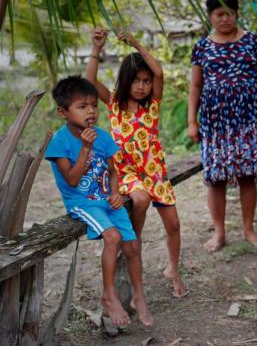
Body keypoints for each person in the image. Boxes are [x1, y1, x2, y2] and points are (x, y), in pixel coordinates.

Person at [86, 28, 187, 298]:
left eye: (145, 80)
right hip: (127, 172)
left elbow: (159, 73)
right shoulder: (113, 104)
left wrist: (135, 42)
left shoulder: (152, 105)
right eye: (136, 81)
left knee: (174, 224)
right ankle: (135, 239)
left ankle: (173, 269)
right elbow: (89, 80)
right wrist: (97, 48)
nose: (142, 85)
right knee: (140, 200)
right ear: (126, 81)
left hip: (155, 171)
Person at [46, 76, 154, 327]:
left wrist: (116, 192)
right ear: (63, 112)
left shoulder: (103, 137)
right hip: (82, 203)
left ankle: (139, 296)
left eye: (94, 105)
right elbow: (72, 181)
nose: (91, 111)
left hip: (107, 199)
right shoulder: (59, 143)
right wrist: (84, 148)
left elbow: (112, 170)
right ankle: (109, 295)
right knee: (113, 237)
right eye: (82, 106)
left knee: (132, 246)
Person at [188, 0, 257, 252]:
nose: (225, 19)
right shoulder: (202, 47)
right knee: (216, 178)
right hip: (215, 124)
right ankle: (219, 233)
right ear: (210, 17)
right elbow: (195, 86)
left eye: (229, 13)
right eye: (219, 14)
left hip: (248, 120)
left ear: (236, 13)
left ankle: (248, 229)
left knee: (247, 175)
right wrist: (191, 121)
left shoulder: (253, 42)